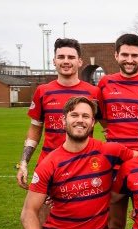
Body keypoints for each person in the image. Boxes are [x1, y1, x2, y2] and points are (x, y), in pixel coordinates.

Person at [9, 97, 135, 229]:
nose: (80, 120)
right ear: (64, 120)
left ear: (93, 122)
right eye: (74, 115)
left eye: (86, 116)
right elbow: (28, 211)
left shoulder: (110, 151)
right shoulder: (49, 163)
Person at [16, 38, 99, 189]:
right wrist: (23, 162)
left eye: (71, 57)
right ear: (54, 61)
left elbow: (108, 129)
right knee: (38, 204)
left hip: (82, 165)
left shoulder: (94, 93)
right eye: (61, 57)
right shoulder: (43, 91)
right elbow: (35, 129)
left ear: (80, 61)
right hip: (48, 164)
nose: (66, 61)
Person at [97, 33, 138, 151]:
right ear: (116, 55)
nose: (129, 60)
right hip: (114, 153)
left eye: (134, 55)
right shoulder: (104, 83)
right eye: (124, 55)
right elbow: (101, 116)